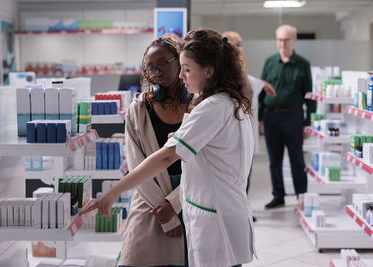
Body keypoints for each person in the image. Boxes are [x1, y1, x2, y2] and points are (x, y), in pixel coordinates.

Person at [81, 28, 255, 267]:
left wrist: (111, 194)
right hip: (225, 211)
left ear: (209, 71)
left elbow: (164, 158)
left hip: (215, 218)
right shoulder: (232, 103)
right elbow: (216, 150)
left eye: (187, 69)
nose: (182, 77)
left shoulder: (209, 108)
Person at [119, 37, 189, 267]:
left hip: (192, 192)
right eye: (151, 67)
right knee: (135, 257)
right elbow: (136, 164)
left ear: (179, 61)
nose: (157, 71)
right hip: (150, 197)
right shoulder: (138, 109)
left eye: (163, 63)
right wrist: (166, 215)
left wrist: (174, 205)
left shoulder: (199, 105)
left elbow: (207, 163)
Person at [258, 24, 316, 209]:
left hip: (294, 116)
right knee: (274, 160)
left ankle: (302, 196)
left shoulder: (302, 64)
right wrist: (259, 118)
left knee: (296, 159)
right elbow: (261, 91)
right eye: (279, 39)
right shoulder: (269, 62)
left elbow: (309, 95)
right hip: (270, 116)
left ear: (294, 40)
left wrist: (308, 123)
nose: (282, 43)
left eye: (286, 39)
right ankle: (278, 195)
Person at [222, 31, 276, 222]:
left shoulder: (241, 72)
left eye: (241, 43)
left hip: (248, 135)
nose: (240, 48)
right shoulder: (223, 75)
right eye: (236, 44)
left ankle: (243, 211)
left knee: (246, 175)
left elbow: (250, 83)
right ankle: (235, 213)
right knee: (233, 178)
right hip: (231, 138)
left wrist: (265, 84)